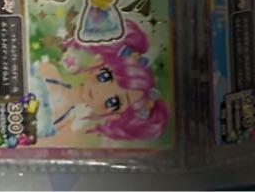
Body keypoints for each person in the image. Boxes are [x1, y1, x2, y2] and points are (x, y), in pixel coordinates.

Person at [33, 21, 169, 142]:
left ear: (115, 116)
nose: (101, 92)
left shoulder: (67, 127)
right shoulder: (49, 72)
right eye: (105, 77)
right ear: (99, 63)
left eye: (113, 102)